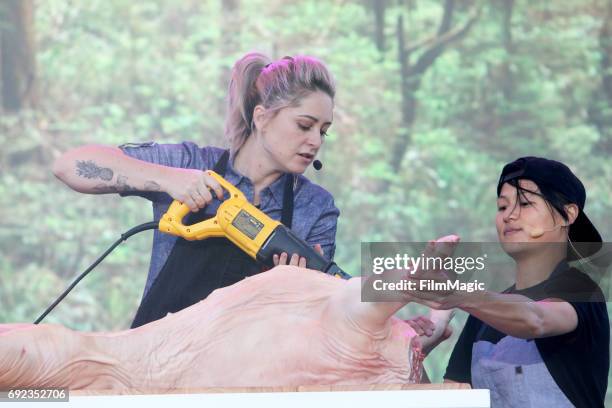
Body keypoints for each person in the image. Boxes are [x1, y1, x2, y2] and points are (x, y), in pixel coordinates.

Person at [53, 52, 340, 327]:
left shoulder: (315, 207)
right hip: (152, 364)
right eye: (305, 125)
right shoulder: (191, 162)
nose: (316, 141)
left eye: (323, 131)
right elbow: (69, 166)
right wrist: (167, 178)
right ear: (262, 117)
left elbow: (318, 320)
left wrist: (299, 288)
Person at [409, 157, 609, 407]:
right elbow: (452, 402)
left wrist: (457, 294)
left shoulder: (581, 289)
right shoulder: (483, 315)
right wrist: (411, 353)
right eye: (502, 207)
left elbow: (535, 319)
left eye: (525, 203)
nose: (510, 216)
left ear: (567, 214)